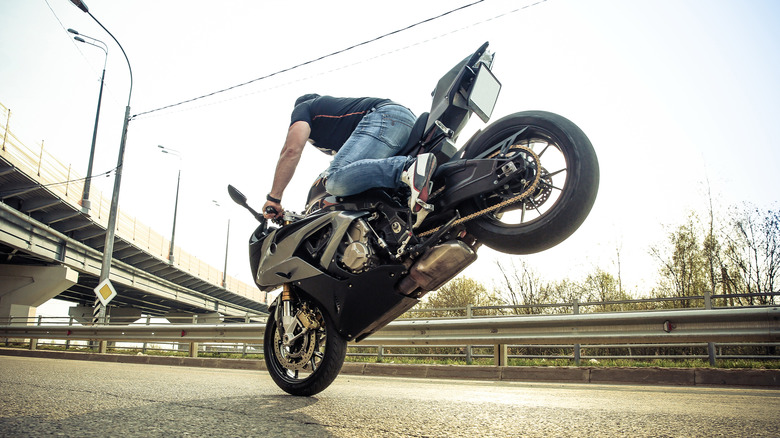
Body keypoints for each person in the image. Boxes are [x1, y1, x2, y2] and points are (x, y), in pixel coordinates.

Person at [262, 94, 437, 227]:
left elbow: (291, 150)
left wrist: (274, 198)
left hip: (387, 117)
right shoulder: (343, 129)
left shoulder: (305, 107)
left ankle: (406, 168)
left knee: (335, 180)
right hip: (405, 123)